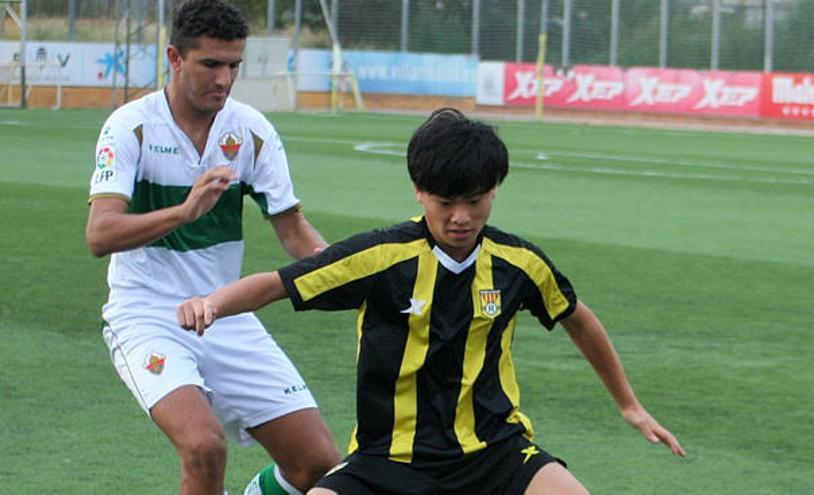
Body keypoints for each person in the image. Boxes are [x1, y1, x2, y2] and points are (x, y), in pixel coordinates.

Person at [177, 108, 686, 494]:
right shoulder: (381, 257)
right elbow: (277, 282)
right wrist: (213, 303)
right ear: (419, 192)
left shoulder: (520, 263)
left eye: (475, 200)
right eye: (446, 203)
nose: (461, 216)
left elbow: (577, 318)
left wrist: (629, 404)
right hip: (389, 461)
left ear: (495, 191)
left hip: (496, 454)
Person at [85, 1, 340, 493]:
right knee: (204, 447)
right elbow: (100, 235)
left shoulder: (251, 132)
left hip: (224, 313)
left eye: (233, 66)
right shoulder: (130, 126)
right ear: (175, 58)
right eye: (210, 64)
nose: (224, 79)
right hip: (146, 316)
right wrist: (183, 213)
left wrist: (355, 272)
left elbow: (293, 231)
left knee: (316, 464)